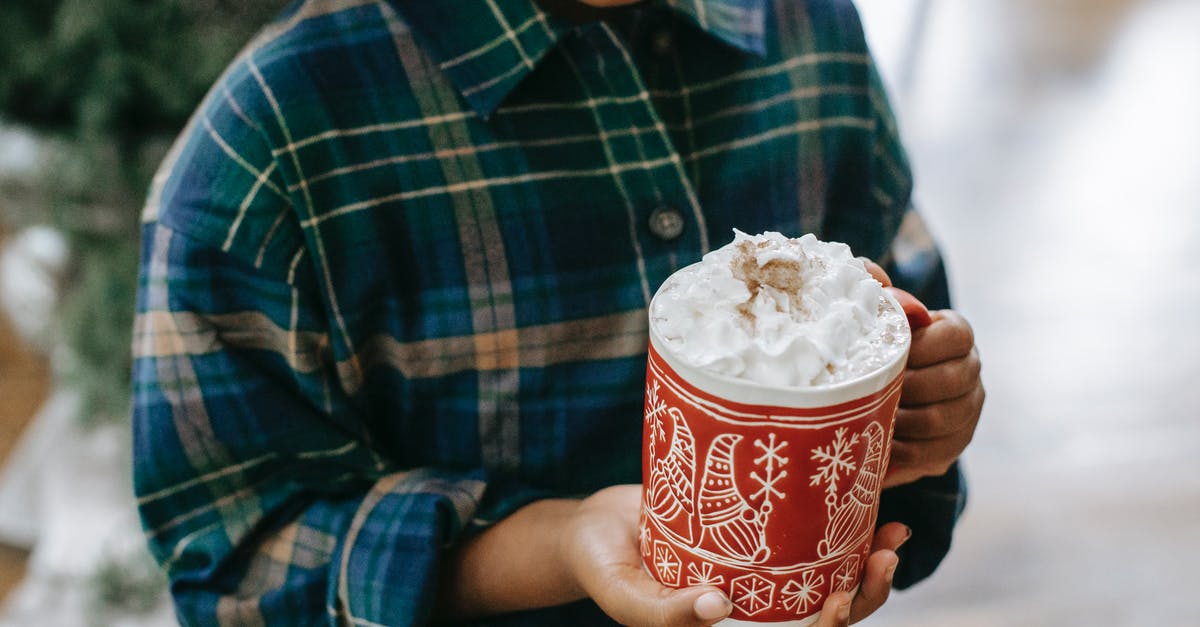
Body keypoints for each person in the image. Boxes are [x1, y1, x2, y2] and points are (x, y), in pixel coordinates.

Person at [132, 0, 984, 625]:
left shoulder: (813, 35)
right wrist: (562, 542)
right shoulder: (269, 150)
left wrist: (921, 409)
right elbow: (241, 569)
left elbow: (900, 291)